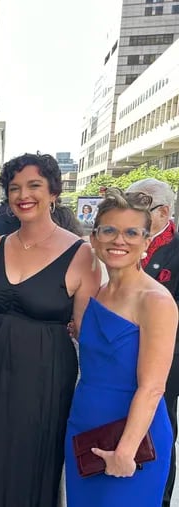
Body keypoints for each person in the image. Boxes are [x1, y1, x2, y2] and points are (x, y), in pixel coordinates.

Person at [0, 152, 101, 507]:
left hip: (45, 375)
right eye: (15, 188)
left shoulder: (81, 254)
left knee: (32, 461)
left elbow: (86, 331)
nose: (24, 195)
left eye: (34, 185)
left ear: (54, 192)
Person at [65, 188, 177, 506]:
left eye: (131, 233)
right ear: (95, 238)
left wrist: (126, 450)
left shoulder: (155, 301)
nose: (119, 240)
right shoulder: (97, 293)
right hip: (84, 428)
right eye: (110, 230)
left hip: (133, 441)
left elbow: (153, 387)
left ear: (145, 242)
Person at [125, 178, 179, 507]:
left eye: (142, 208)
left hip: (167, 354)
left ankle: (157, 497)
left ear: (164, 212)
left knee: (159, 423)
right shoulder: (129, 239)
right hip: (124, 349)